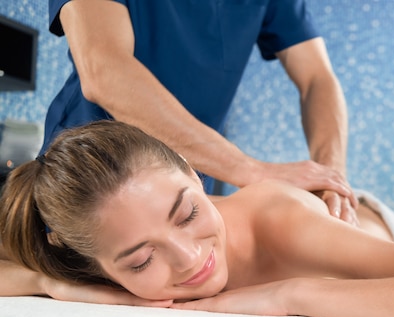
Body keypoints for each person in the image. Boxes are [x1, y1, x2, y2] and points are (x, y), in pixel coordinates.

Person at [0, 121, 394, 317]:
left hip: (389, 232)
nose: (190, 261)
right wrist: (54, 286)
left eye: (188, 213)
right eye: (141, 262)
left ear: (195, 175)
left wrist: (290, 294)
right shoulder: (84, 258)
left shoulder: (277, 223)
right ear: (94, 264)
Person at [44, 0, 358, 224]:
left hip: (186, 190)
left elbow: (318, 79)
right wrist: (252, 170)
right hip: (91, 179)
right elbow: (104, 70)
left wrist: (333, 182)